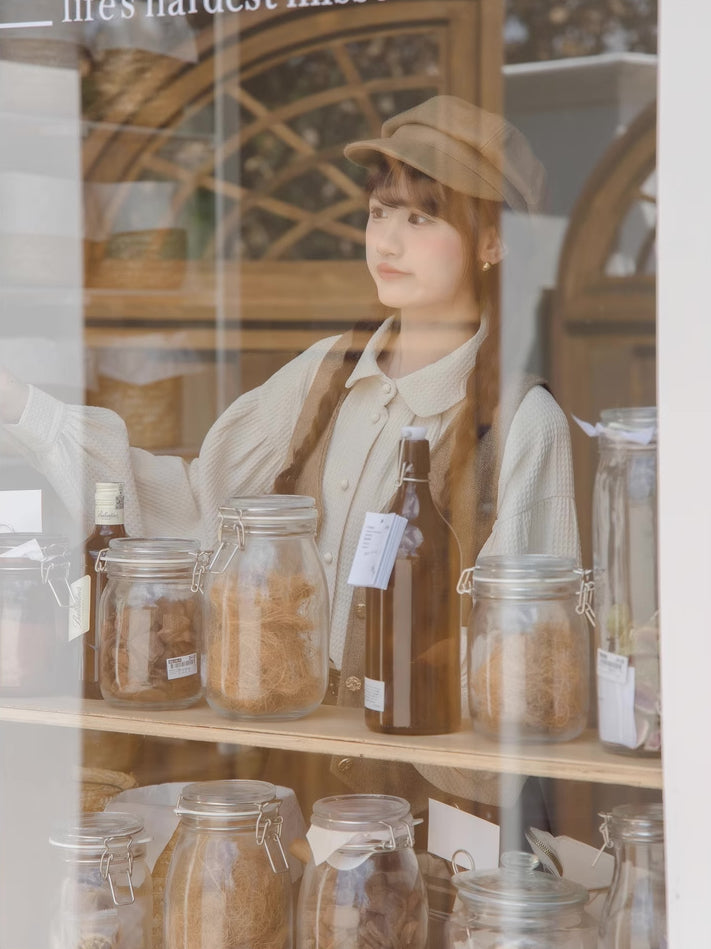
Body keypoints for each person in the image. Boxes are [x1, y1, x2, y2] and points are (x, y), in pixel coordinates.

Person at [0, 96, 579, 828]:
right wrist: (23, 406)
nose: (387, 241)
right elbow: (193, 502)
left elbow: (532, 661)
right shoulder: (323, 375)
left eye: (420, 218)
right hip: (288, 774)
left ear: (493, 242)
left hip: (438, 803)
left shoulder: (524, 422)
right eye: (378, 213)